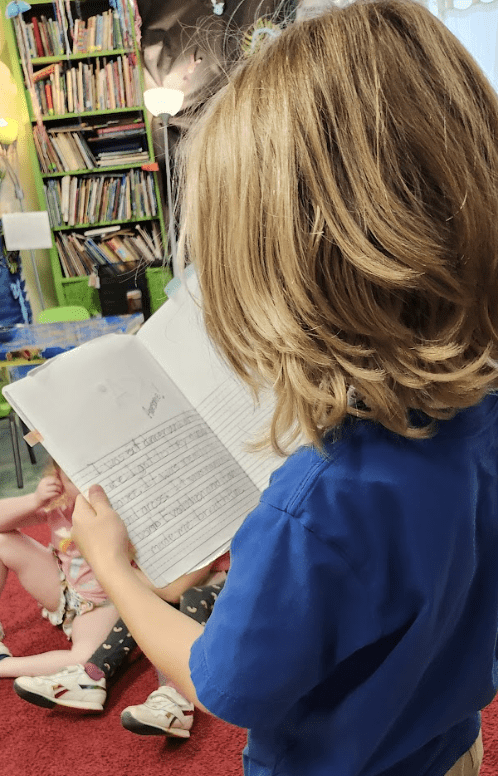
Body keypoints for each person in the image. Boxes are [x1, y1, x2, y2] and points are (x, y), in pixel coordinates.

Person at [66, 0, 498, 773]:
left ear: (292, 276)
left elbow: (218, 685)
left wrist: (114, 572)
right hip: (451, 750)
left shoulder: (318, 505)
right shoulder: (480, 413)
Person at [13, 563, 228, 736]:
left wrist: (117, 568)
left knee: (191, 596)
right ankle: (93, 675)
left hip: (228, 577)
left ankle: (178, 696)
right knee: (146, 597)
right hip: (183, 570)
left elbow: (177, 588)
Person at [0, 463, 120, 677]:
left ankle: (4, 666)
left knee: (87, 658)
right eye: (74, 479)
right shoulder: (62, 502)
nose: (90, 489)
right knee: (2, 541)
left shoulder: (123, 508)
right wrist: (34, 500)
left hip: (102, 603)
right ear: (59, 479)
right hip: (64, 587)